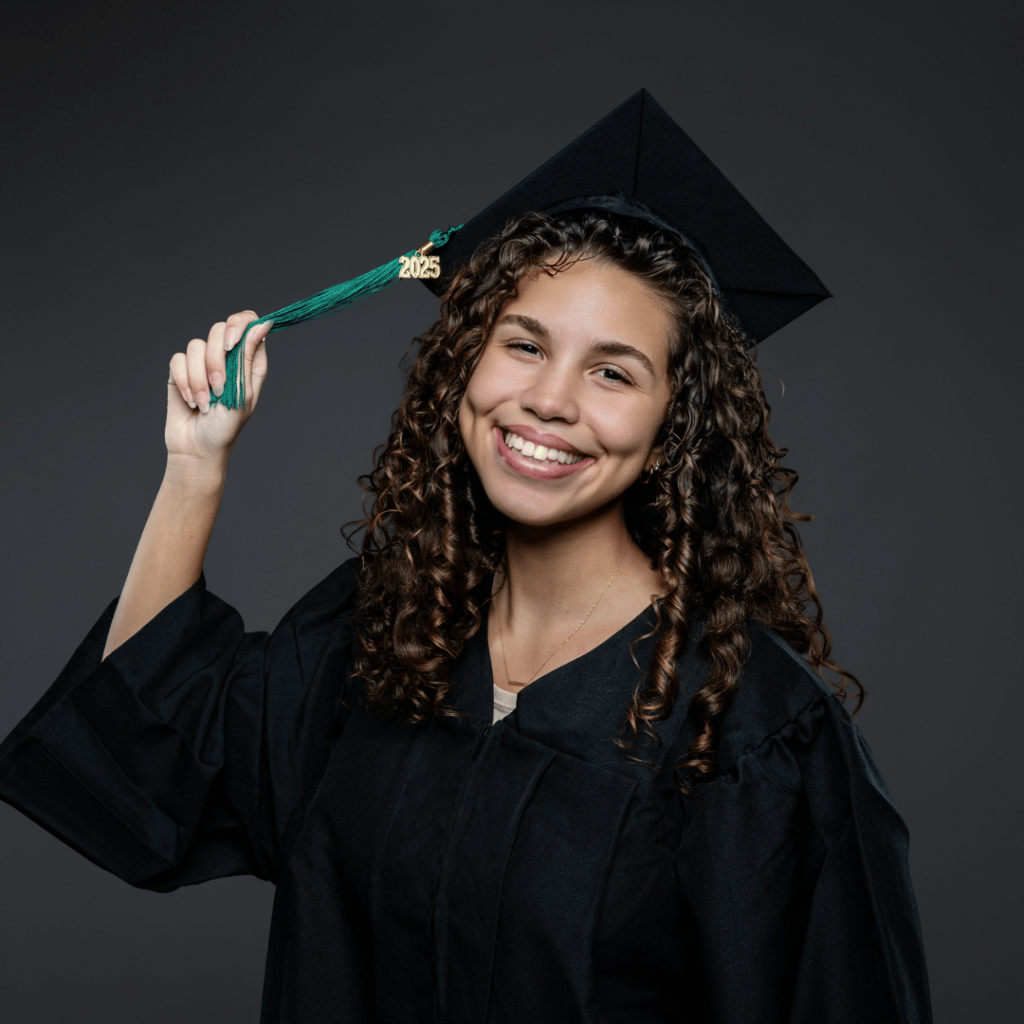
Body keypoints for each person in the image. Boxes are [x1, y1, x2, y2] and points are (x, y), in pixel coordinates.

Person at [0, 91, 932, 1023]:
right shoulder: (382, 636)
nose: (550, 400)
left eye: (613, 371)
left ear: (675, 425)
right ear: (465, 366)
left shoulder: (754, 735)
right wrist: (195, 467)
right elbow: (148, 752)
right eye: (523, 344)